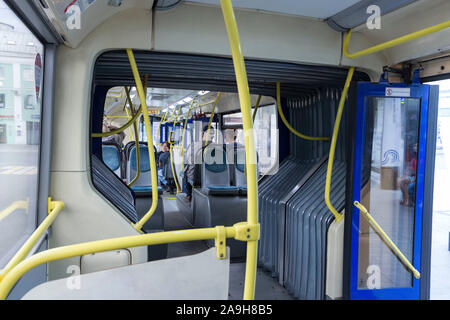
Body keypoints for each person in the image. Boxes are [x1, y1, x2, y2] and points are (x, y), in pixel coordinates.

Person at [183, 125, 215, 202]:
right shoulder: (217, 146)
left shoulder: (194, 145)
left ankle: (188, 194)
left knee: (186, 172)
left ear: (202, 133)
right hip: (213, 176)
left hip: (196, 176)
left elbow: (188, 160)